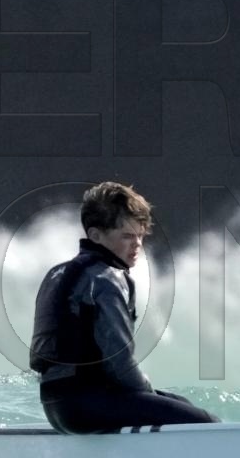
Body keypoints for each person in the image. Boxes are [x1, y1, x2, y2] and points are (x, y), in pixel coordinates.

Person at [30, 181, 219, 434]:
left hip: (56, 407)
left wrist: (157, 401)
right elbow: (120, 364)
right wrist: (150, 397)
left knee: (178, 404)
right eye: (127, 236)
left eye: (140, 235)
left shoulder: (56, 274)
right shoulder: (106, 278)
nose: (137, 244)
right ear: (96, 235)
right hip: (90, 405)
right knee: (206, 424)